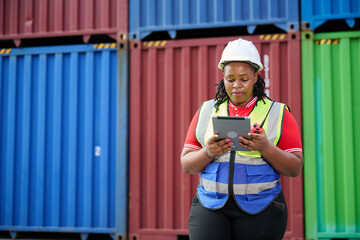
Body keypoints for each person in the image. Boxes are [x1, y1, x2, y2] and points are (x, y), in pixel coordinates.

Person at [180, 38, 303, 240]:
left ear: (256, 77)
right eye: (230, 79)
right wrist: (208, 152)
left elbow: (294, 168)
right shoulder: (206, 110)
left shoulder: (278, 113)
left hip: (262, 208)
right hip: (210, 205)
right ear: (223, 77)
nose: (237, 86)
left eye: (244, 79)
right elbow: (187, 165)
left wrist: (265, 147)